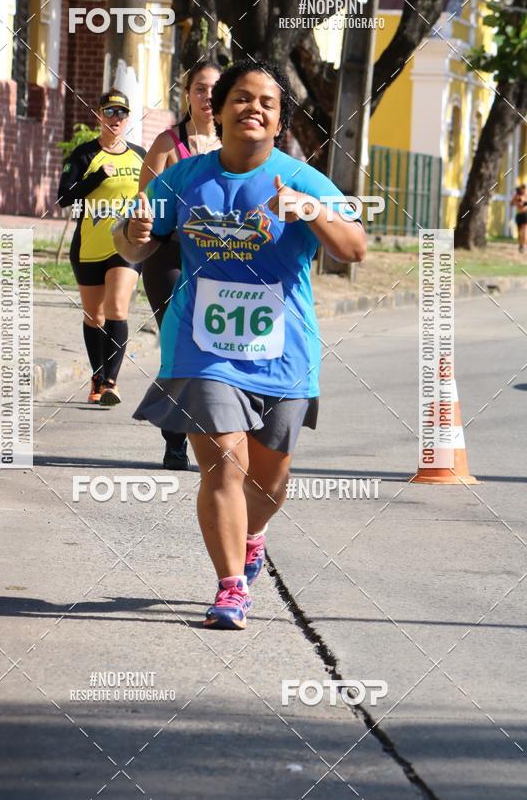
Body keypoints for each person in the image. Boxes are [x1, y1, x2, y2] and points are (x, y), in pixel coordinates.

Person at [114, 60, 366, 630]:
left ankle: (254, 534)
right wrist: (131, 234)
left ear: (278, 121)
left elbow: (354, 248)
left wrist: (311, 210)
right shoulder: (184, 178)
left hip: (282, 352)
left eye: (267, 103)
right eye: (241, 99)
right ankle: (230, 588)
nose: (254, 108)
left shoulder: (302, 178)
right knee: (224, 464)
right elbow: (131, 246)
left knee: (269, 480)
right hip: (201, 346)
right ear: (218, 109)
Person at [138, 60, 222, 470]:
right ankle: (175, 440)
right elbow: (142, 209)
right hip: (170, 257)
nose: (207, 97)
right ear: (187, 94)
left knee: (216, 347)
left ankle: (220, 433)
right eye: (200, 89)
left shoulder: (236, 145)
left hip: (225, 259)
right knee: (179, 344)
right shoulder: (168, 145)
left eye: (214, 90)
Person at [57, 89, 145, 405]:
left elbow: (156, 193)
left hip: (127, 245)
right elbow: (64, 197)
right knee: (94, 316)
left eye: (121, 113)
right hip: (89, 245)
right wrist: (95, 178)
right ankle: (97, 377)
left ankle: (110, 382)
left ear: (128, 117)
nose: (116, 119)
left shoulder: (140, 156)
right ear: (99, 115)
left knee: (117, 308)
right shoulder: (83, 155)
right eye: (110, 112)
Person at [511, 184, 527, 253]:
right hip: (519, 214)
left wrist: (522, 202)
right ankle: (520, 245)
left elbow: (524, 204)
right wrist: (515, 200)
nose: (522, 190)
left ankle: (523, 245)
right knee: (519, 231)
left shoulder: (525, 195)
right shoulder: (517, 196)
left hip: (525, 214)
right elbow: (511, 204)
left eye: (523, 189)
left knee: (524, 230)